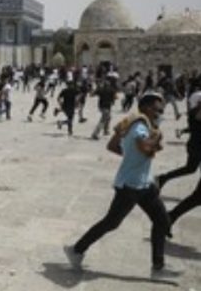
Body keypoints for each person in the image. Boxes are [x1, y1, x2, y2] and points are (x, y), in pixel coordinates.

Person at [64, 93, 176, 277]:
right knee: (111, 223)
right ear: (147, 108)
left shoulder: (140, 125)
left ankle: (158, 267)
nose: (161, 113)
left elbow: (115, 147)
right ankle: (76, 249)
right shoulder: (140, 127)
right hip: (130, 186)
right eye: (158, 110)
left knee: (162, 221)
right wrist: (157, 135)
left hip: (145, 184)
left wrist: (131, 155)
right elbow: (147, 147)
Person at [157, 81, 201, 190]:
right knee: (190, 168)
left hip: (195, 144)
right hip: (196, 145)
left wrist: (182, 131)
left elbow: (192, 128)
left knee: (190, 169)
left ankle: (163, 178)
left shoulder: (194, 113)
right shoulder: (195, 113)